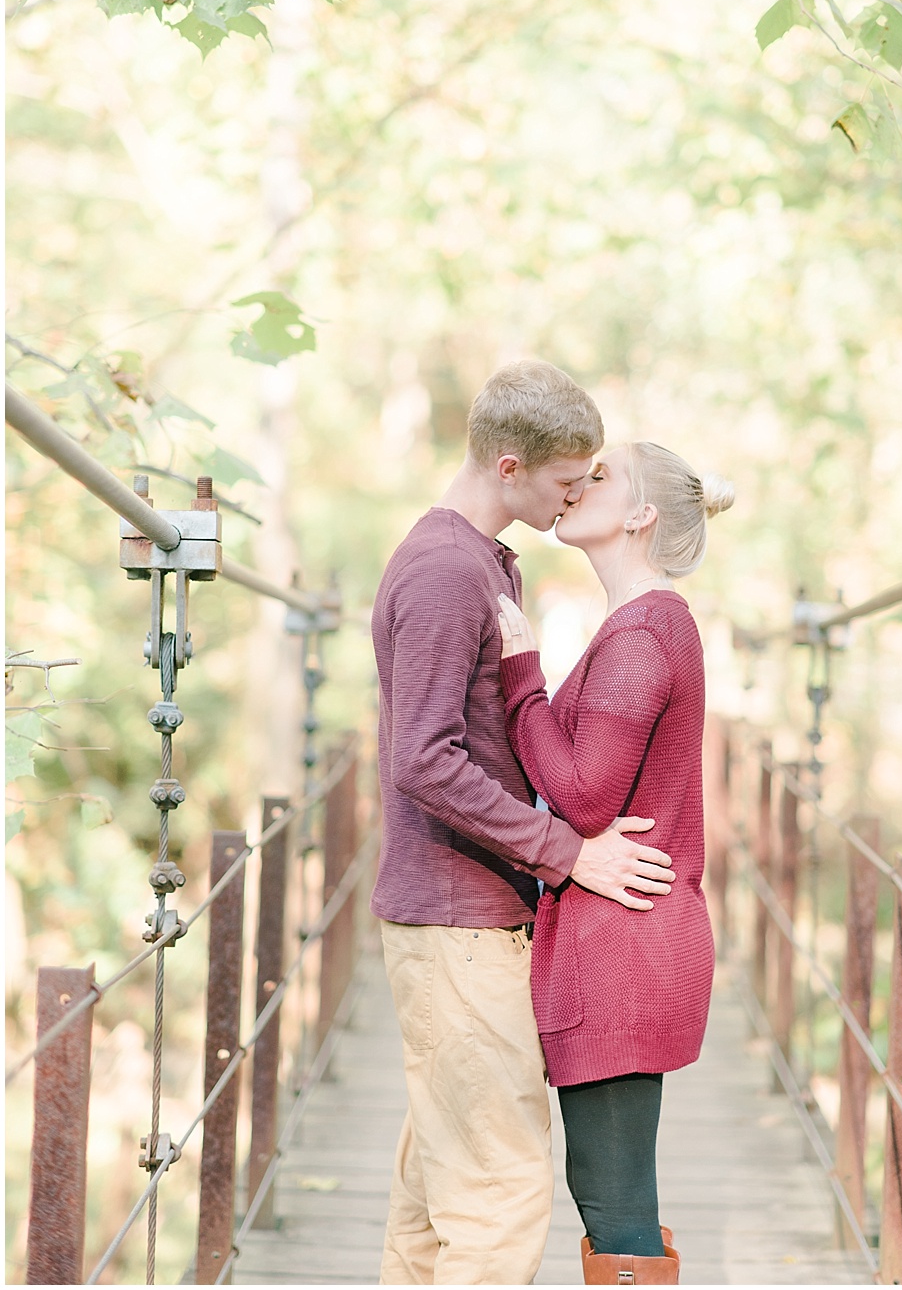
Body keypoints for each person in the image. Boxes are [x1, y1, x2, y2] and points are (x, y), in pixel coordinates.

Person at [372, 361, 677, 1284]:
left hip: (470, 919)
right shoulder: (444, 573)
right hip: (455, 921)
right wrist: (568, 852)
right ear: (510, 466)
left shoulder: (480, 562)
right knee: (502, 1196)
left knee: (433, 1209)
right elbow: (420, 759)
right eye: (565, 479)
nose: (577, 494)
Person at [494, 441, 733, 1284]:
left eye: (601, 475)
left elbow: (587, 799)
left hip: (622, 947)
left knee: (614, 1196)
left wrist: (520, 677)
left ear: (640, 515)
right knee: (612, 1189)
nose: (578, 484)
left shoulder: (643, 633)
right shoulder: (646, 623)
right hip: (626, 937)